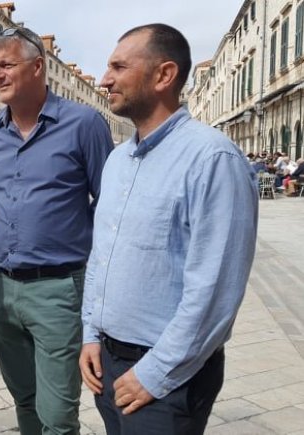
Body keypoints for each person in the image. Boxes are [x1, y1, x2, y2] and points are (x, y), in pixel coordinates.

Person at [79, 24, 258, 435]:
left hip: (166, 378)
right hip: (108, 362)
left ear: (164, 75)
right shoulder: (117, 161)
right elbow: (101, 257)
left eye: (118, 67)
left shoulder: (212, 159)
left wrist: (155, 373)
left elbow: (215, 290)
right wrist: (90, 334)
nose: (105, 80)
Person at [0, 27, 114, 434]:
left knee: (56, 415)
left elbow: (108, 204)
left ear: (38, 67)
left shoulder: (84, 123)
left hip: (58, 288)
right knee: (24, 399)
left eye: (6, 65)